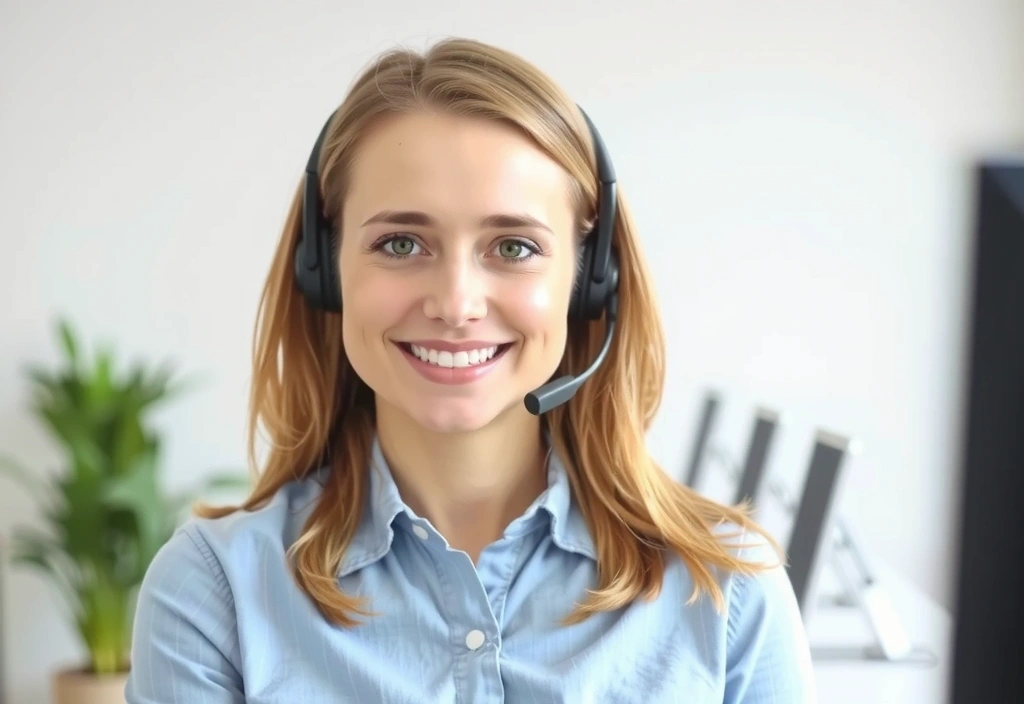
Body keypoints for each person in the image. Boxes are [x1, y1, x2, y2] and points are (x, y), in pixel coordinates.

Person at [125, 37, 816, 703]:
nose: (456, 304)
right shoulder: (213, 592)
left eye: (513, 246)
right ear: (324, 271)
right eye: (401, 243)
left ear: (590, 280)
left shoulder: (729, 593)